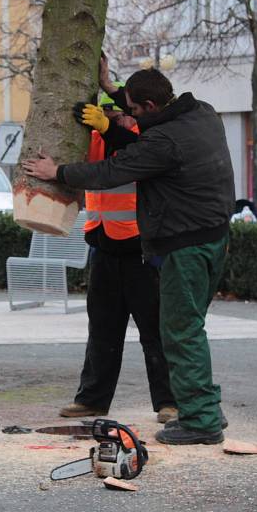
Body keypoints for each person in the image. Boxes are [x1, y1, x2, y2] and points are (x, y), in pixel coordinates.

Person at [23, 65, 235, 446]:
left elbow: (112, 170)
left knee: (178, 331)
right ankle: (203, 404)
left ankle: (200, 419)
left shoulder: (163, 142)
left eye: (134, 110)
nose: (129, 117)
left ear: (151, 106)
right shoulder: (202, 112)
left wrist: (58, 171)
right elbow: (147, 118)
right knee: (186, 329)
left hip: (184, 245)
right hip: (211, 239)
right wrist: (112, 88)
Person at [59, 88, 177, 424]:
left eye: (118, 112)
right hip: (103, 244)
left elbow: (129, 148)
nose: (114, 118)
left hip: (140, 249)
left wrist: (111, 127)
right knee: (102, 329)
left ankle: (169, 401)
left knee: (154, 330)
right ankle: (92, 399)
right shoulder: (93, 138)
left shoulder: (143, 138)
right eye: (107, 113)